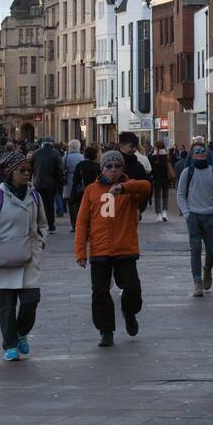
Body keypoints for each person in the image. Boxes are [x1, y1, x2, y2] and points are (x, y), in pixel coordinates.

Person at [0, 151, 47, 363]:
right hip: (2, 258)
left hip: (28, 257)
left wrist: (40, 243)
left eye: (28, 171)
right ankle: (10, 345)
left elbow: (43, 223)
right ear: (9, 173)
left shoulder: (34, 195)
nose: (27, 174)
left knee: (31, 301)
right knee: (6, 306)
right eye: (21, 171)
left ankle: (21, 332)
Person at [75, 149, 151, 347]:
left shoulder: (129, 188)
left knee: (132, 289)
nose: (113, 170)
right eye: (109, 166)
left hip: (125, 248)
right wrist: (81, 252)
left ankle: (129, 312)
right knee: (100, 293)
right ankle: (106, 330)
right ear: (102, 169)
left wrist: (124, 188)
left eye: (117, 166)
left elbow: (146, 187)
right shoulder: (91, 190)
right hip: (100, 251)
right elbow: (82, 222)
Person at [177, 142, 213, 296]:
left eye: (203, 151)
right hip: (193, 216)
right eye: (197, 151)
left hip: (210, 217)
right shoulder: (187, 172)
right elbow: (180, 194)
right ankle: (197, 282)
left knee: (212, 250)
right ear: (192, 155)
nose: (200, 153)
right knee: (196, 249)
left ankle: (207, 269)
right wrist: (187, 214)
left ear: (207, 153)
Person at [30, 136, 64, 233]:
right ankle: (51, 226)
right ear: (51, 143)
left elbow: (30, 168)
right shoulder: (55, 154)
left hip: (38, 182)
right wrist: (59, 182)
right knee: (50, 205)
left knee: (38, 204)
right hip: (51, 183)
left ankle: (39, 225)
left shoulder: (36, 153)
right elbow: (60, 170)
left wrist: (30, 180)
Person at [69, 145, 101, 232]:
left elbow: (75, 179)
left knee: (79, 208)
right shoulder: (97, 166)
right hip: (94, 191)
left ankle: (77, 225)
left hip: (80, 191)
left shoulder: (80, 165)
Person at [150, 141, 173, 222]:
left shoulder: (153, 156)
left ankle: (158, 214)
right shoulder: (166, 155)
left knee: (157, 196)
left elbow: (151, 169)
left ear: (156, 147)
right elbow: (170, 166)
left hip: (156, 178)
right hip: (165, 178)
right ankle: (164, 213)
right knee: (165, 195)